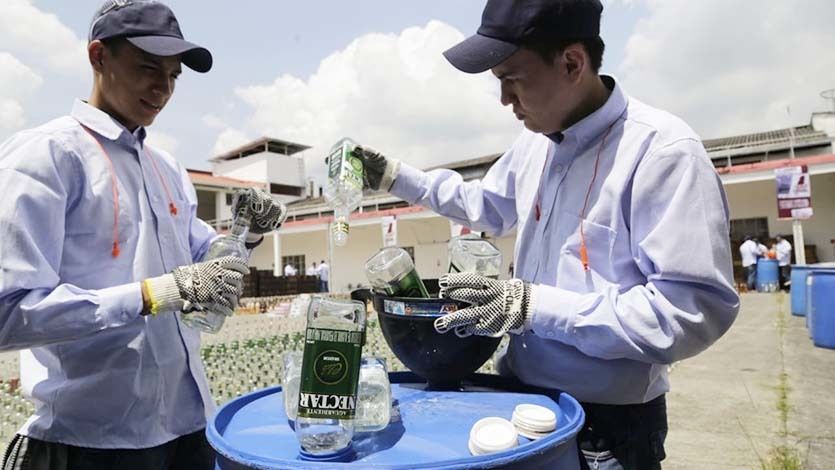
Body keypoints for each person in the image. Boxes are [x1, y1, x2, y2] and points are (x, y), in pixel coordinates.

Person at [352, 0, 740, 467]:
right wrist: (394, 176)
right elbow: (486, 207)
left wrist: (535, 306)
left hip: (608, 428)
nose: (504, 100)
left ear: (572, 63)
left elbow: (691, 312)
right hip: (520, 401)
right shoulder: (536, 143)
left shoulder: (661, 153)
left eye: (511, 79)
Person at [0, 1, 287, 468]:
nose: (163, 88)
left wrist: (244, 235)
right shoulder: (45, 157)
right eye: (148, 68)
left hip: (187, 430)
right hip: (89, 443)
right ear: (98, 57)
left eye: (174, 76)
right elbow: (8, 312)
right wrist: (154, 294)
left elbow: (203, 261)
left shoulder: (166, 167)